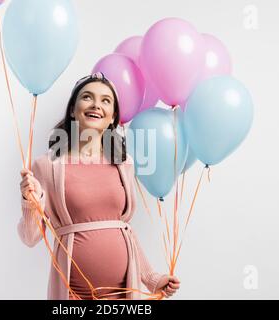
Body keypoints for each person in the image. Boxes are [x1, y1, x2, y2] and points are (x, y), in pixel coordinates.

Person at [18, 72, 180, 300]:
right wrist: (29, 202)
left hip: (122, 294)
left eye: (106, 100)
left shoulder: (123, 164)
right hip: (73, 294)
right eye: (87, 97)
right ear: (73, 109)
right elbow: (29, 237)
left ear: (113, 117)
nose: (96, 105)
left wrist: (152, 278)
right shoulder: (47, 166)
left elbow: (125, 231)